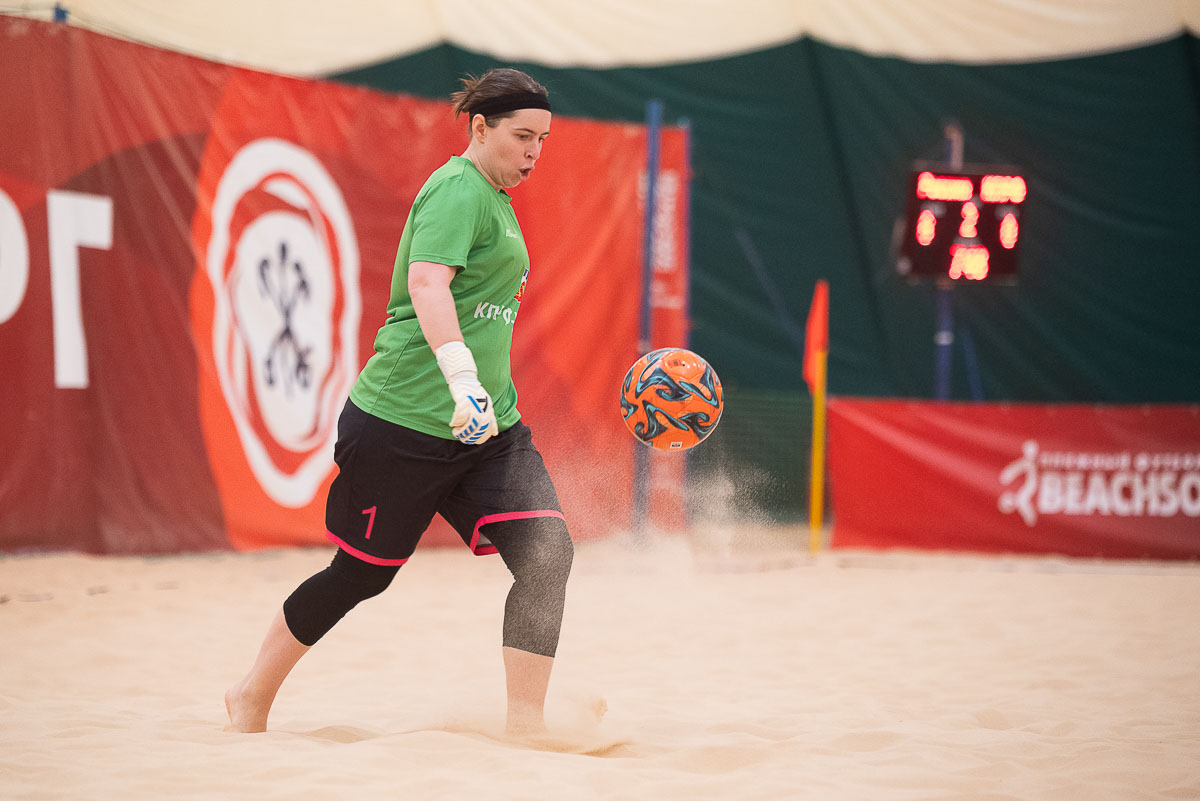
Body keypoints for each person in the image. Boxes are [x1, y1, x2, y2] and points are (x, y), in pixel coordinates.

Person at [225, 68, 572, 738]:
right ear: (480, 127)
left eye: (543, 139)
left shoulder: (497, 200)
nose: (534, 151)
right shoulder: (457, 188)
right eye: (523, 136)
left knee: (547, 554)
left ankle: (526, 726)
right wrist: (461, 375)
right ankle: (250, 694)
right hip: (401, 420)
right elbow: (427, 284)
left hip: (489, 427)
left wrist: (478, 394)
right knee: (360, 575)